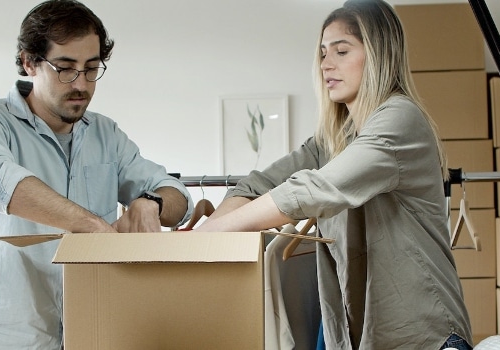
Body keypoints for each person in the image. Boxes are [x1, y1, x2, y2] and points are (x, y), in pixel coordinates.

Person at [195, 0, 473, 349]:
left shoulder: (400, 120)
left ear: (378, 54)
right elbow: (255, 184)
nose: (326, 64)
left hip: (426, 338)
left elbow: (316, 190)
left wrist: (211, 231)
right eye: (323, 52)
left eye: (342, 51)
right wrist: (206, 239)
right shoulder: (333, 141)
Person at [0, 1, 193, 348]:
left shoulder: (106, 135)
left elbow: (177, 195)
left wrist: (150, 203)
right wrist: (90, 225)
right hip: (2, 337)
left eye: (91, 68)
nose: (81, 84)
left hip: (90, 331)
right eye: (65, 68)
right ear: (28, 63)